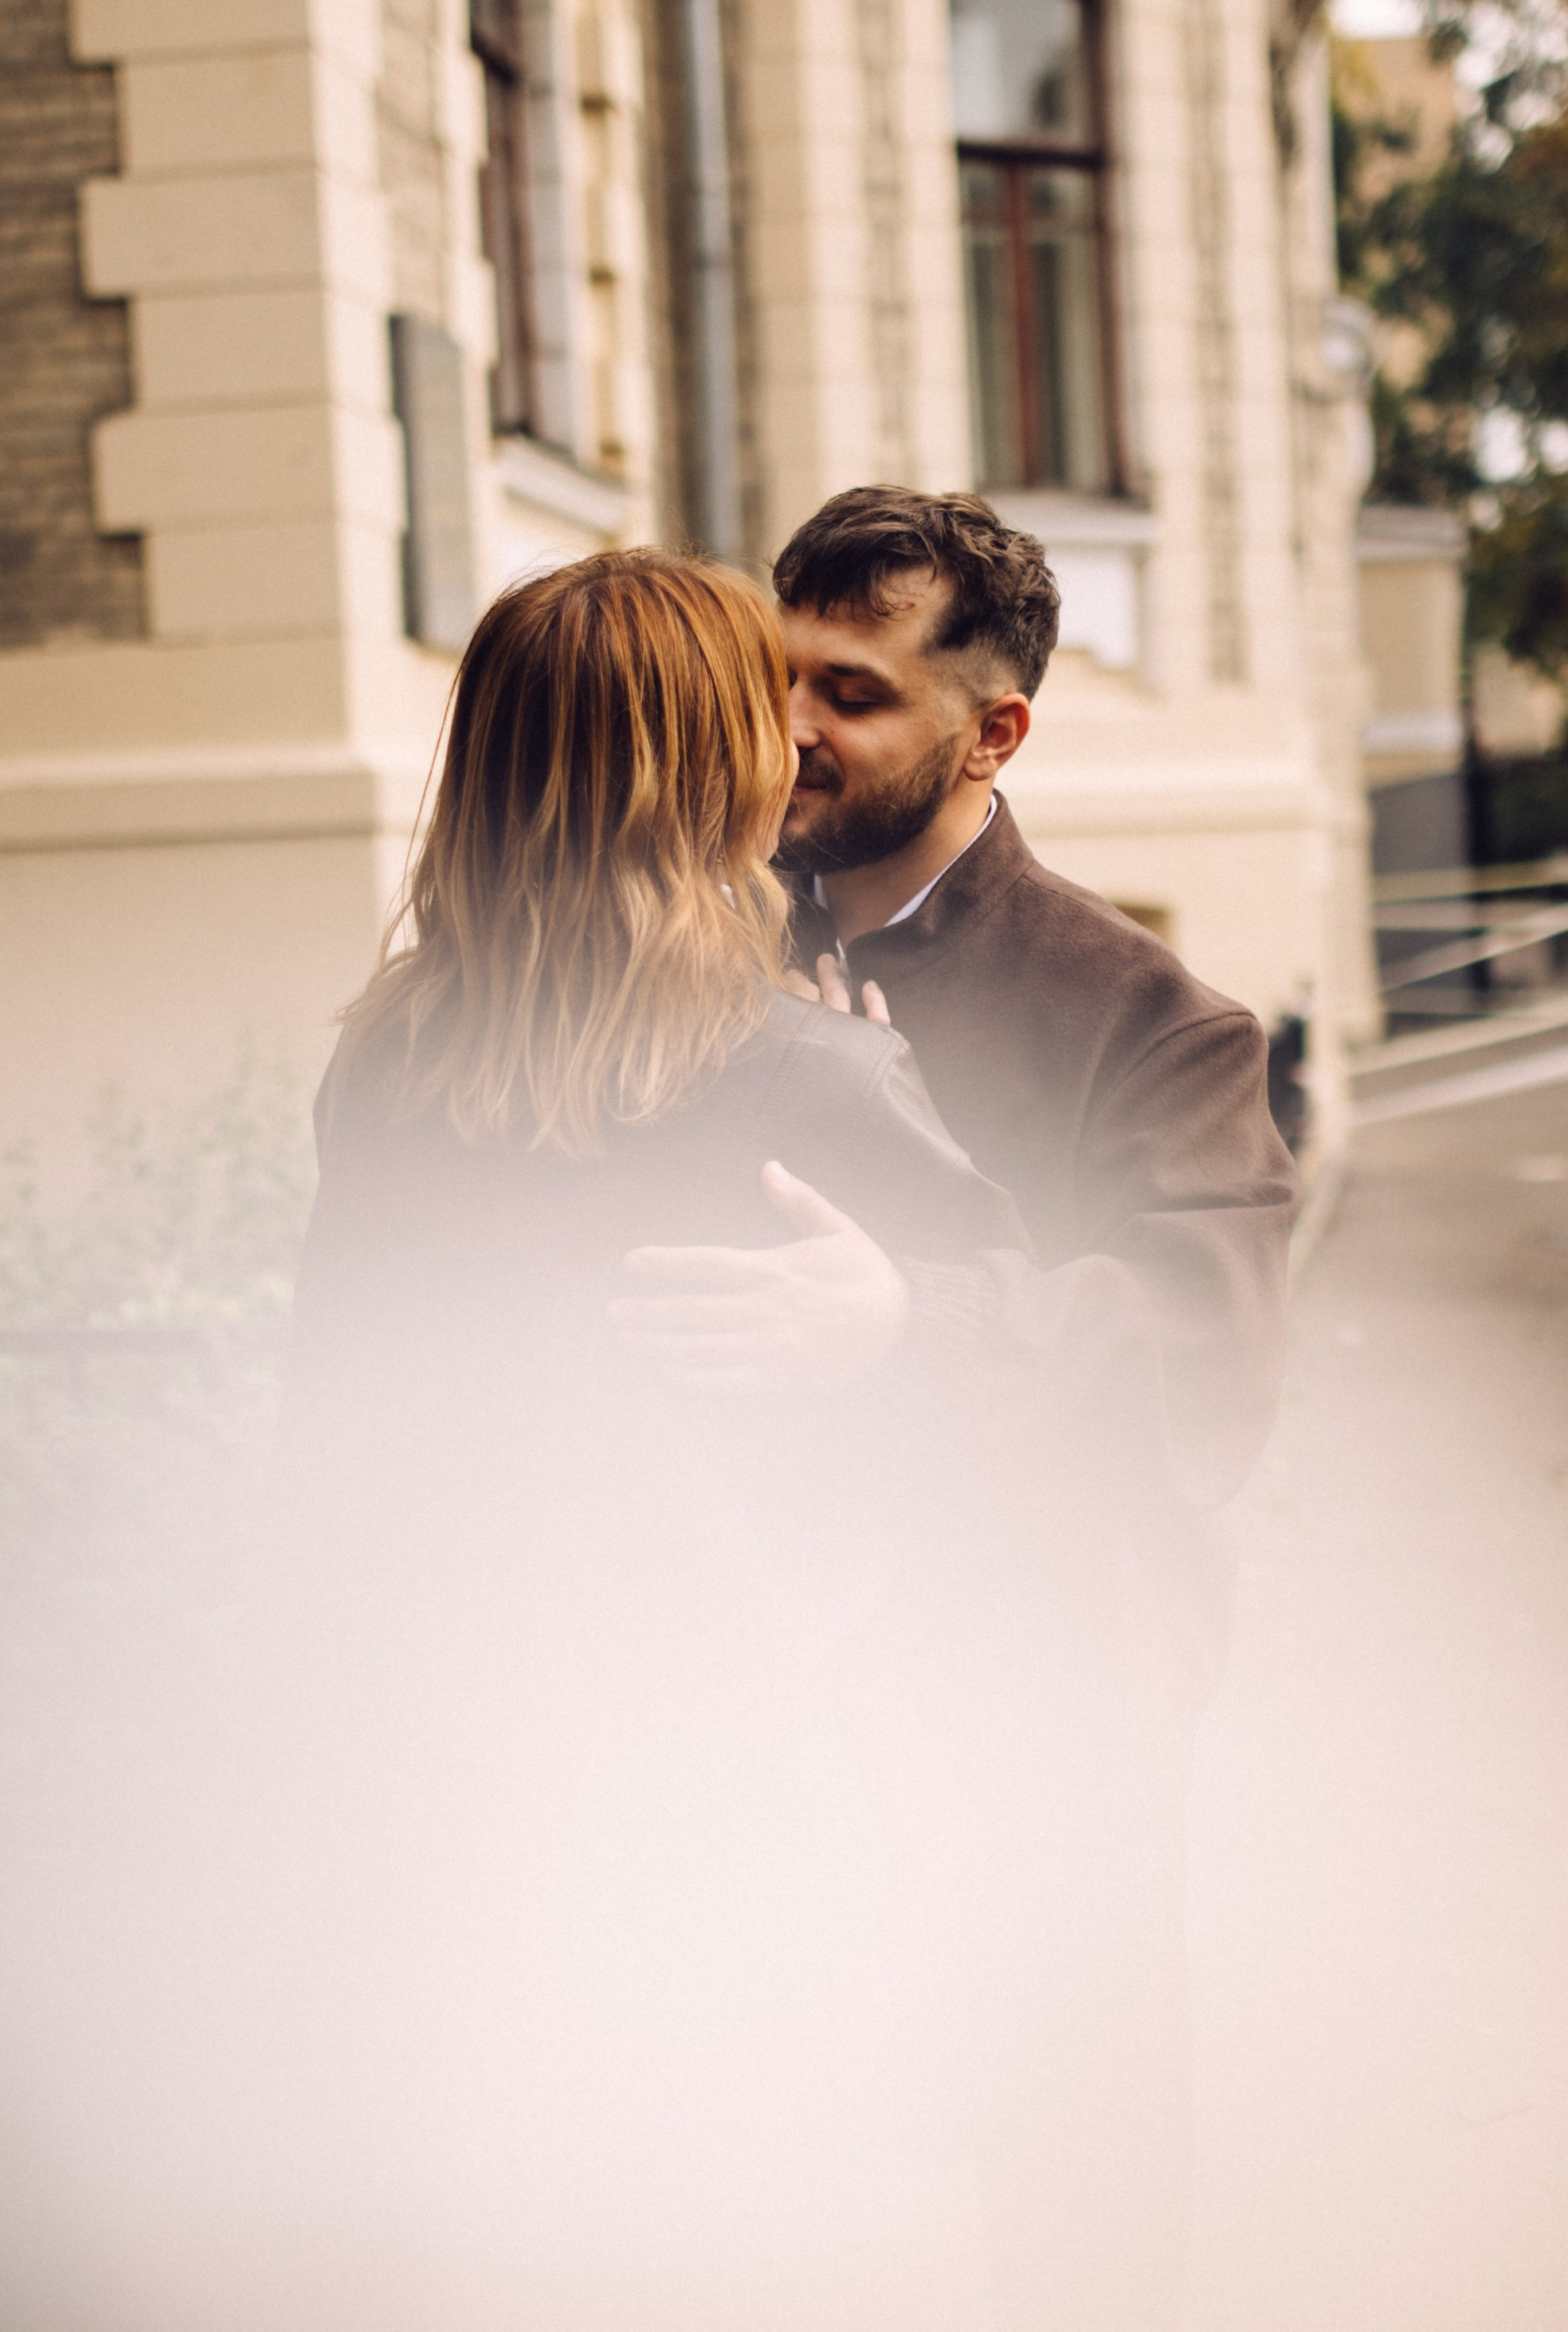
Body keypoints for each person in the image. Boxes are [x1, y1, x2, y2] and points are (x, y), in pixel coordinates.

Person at [286, 546, 1028, 2331]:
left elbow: (334, 1416)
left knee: (517, 2222)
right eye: (761, 712)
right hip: (749, 1766)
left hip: (451, 1758)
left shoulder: (389, 1066)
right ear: (710, 772)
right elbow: (1012, 1420)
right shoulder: (811, 1078)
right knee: (761, 2230)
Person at [614, 485, 1303, 2332]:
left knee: (1068, 2190)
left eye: (848, 692)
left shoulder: (1146, 1019)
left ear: (992, 732)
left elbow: (1203, 1356)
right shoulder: (682, 947)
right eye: (775, 679)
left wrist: (915, 1317)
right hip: (747, 1677)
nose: (786, 731)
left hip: (1040, 1696)